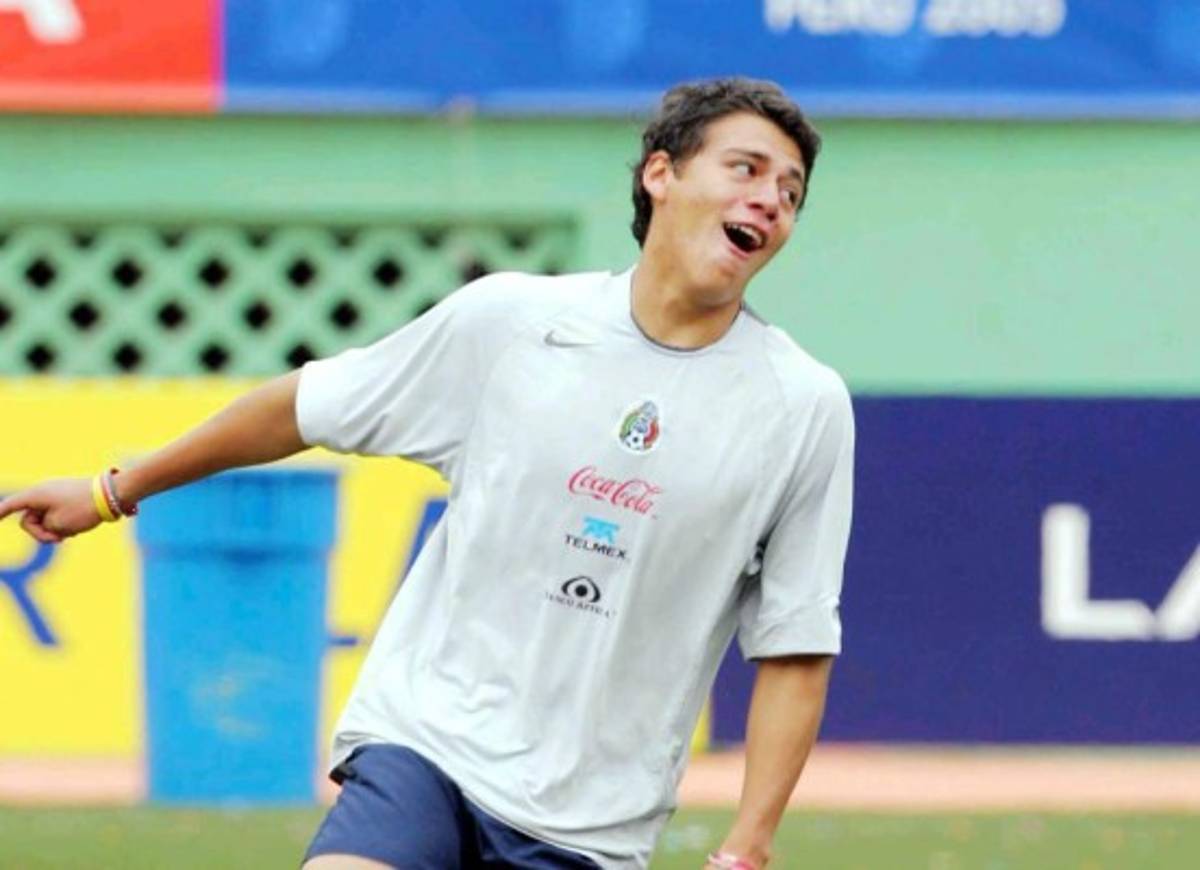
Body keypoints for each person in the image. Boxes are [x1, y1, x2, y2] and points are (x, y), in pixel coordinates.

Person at [0, 78, 854, 870]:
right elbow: (303, 407)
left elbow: (796, 645)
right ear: (660, 175)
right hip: (428, 746)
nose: (770, 201)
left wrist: (748, 844)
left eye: (791, 194)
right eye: (746, 169)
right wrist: (112, 491)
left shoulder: (802, 407)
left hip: (590, 824)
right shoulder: (512, 322)